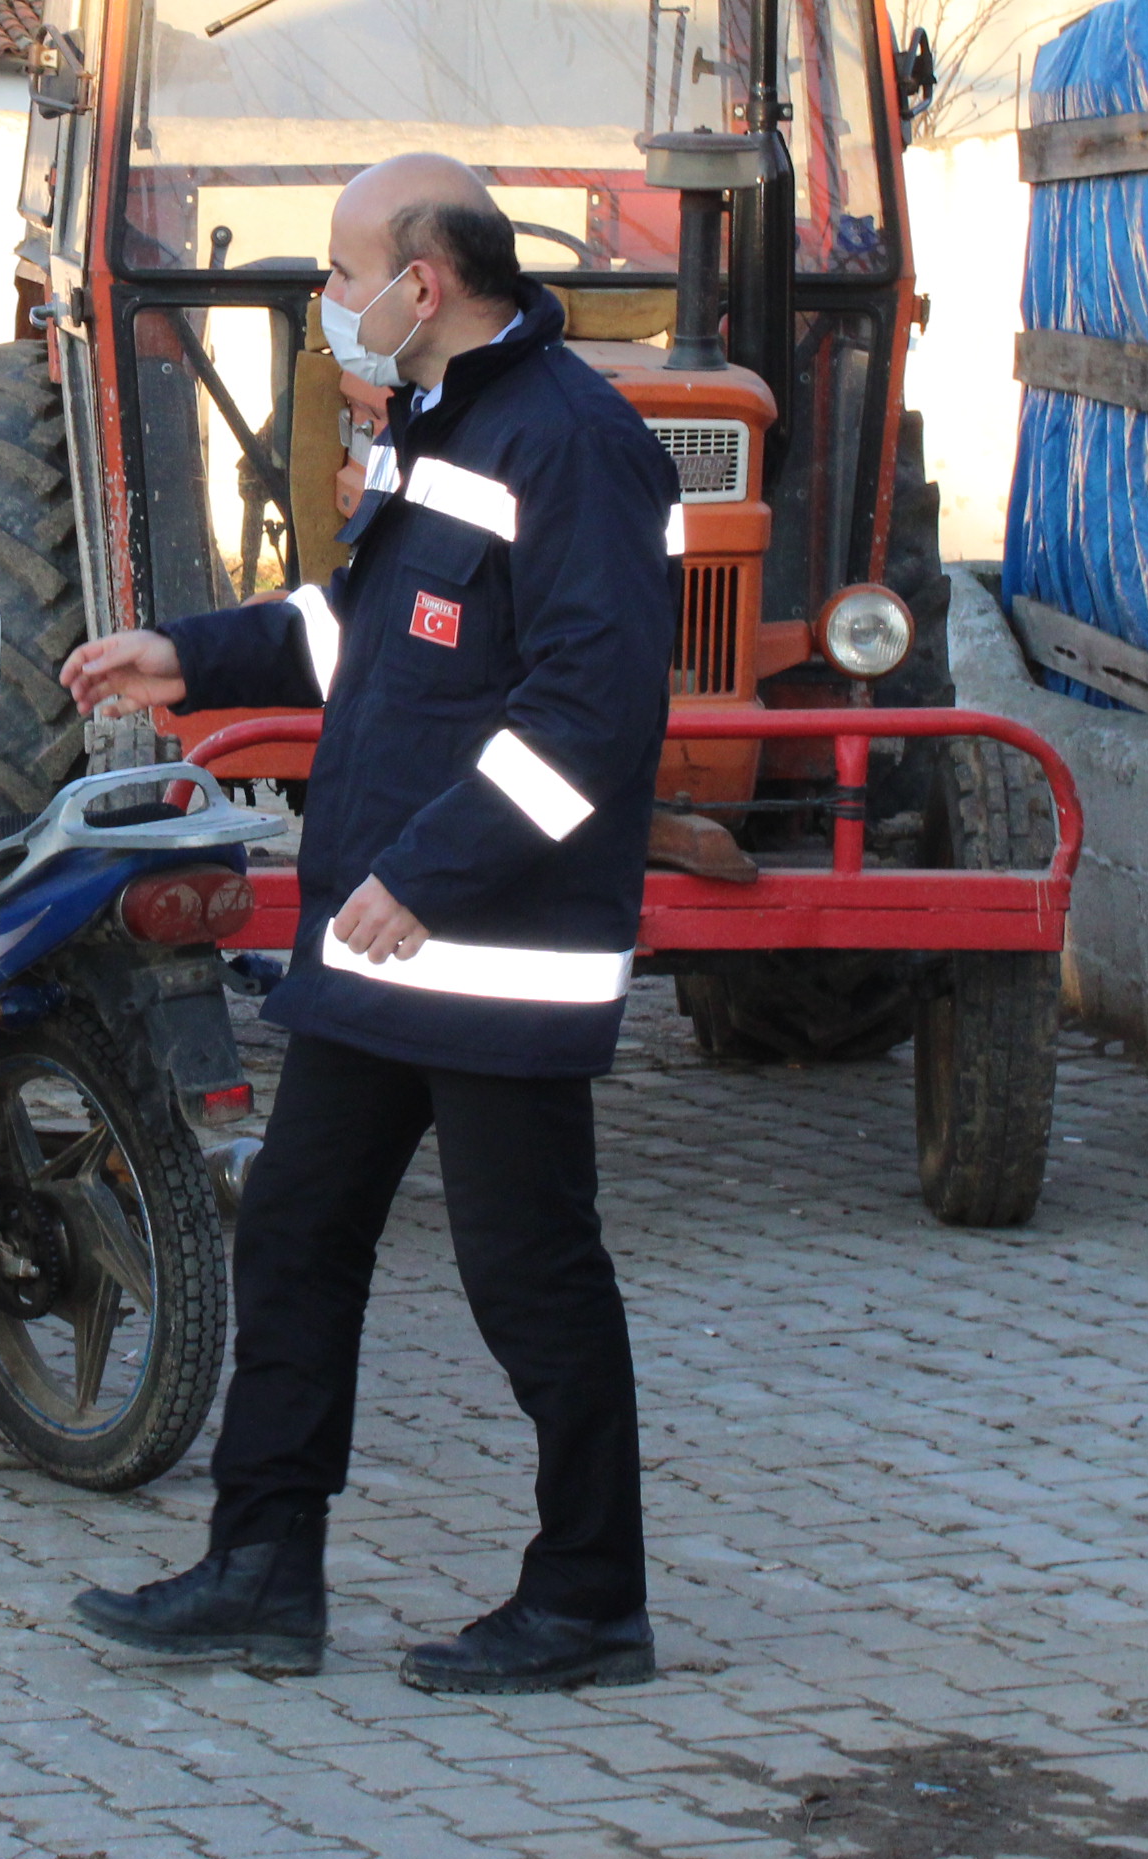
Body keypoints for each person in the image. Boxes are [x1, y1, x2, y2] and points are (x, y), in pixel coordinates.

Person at [60, 154, 683, 1693]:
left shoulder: (577, 448)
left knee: (529, 1273)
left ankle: (592, 1598)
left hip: (482, 949)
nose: (324, 303)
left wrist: (438, 869)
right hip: (381, 937)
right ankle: (264, 1571)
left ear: (425, 283)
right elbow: (373, 633)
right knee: (296, 1233)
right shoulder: (442, 422)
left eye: (342, 274)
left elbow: (594, 716)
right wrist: (186, 657)